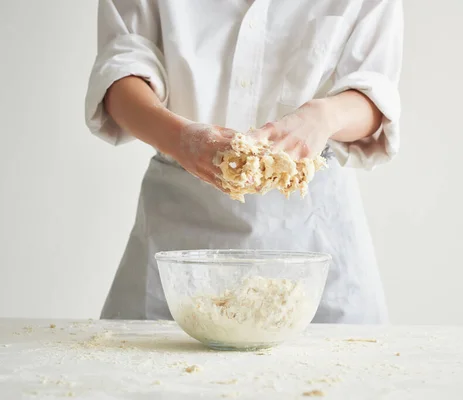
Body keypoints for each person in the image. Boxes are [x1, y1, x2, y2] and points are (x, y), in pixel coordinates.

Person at [85, 0, 403, 323]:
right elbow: (119, 69)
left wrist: (323, 117)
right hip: (179, 230)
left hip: (314, 228)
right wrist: (180, 139)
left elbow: (375, 89)